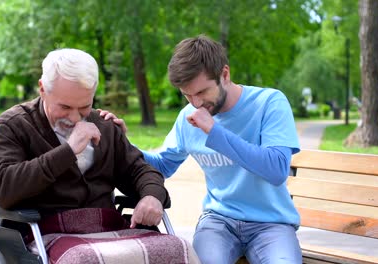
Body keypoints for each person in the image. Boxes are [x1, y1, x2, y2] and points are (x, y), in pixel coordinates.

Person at [100, 35, 302, 264]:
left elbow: (276, 169)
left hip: (272, 223)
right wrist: (123, 143)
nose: (195, 103)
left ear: (224, 74)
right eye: (187, 94)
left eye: (202, 92)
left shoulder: (269, 102)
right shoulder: (188, 117)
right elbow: (163, 165)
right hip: (219, 222)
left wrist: (215, 131)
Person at [0, 48, 170, 229]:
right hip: (45, 233)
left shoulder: (104, 125)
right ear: (42, 89)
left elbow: (140, 171)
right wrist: (68, 151)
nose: (74, 118)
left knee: (176, 249)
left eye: (83, 107)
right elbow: (2, 189)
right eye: (64, 107)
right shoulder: (14, 125)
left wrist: (152, 196)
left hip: (106, 228)